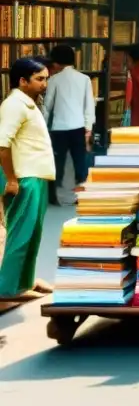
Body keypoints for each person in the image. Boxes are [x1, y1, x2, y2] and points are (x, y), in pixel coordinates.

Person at [0, 58, 55, 301]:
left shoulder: (29, 105)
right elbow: (2, 145)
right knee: (20, 234)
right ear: (23, 81)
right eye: (39, 79)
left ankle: (22, 284)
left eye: (46, 79)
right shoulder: (14, 105)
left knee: (33, 234)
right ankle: (7, 288)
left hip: (36, 176)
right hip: (24, 177)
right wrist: (11, 179)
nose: (45, 84)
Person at [42, 44, 96, 204]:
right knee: (80, 162)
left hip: (58, 129)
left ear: (56, 63)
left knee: (57, 163)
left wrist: (43, 126)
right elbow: (89, 106)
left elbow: (47, 106)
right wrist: (88, 129)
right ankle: (81, 196)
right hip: (79, 128)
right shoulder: (85, 79)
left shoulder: (53, 80)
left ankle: (53, 197)